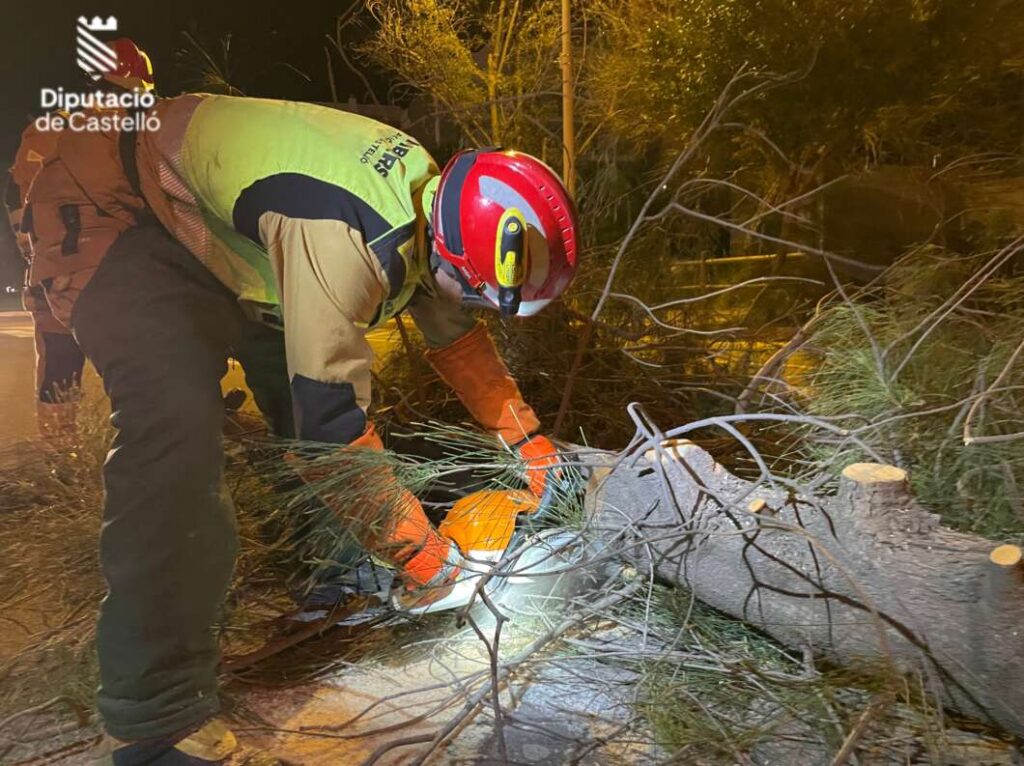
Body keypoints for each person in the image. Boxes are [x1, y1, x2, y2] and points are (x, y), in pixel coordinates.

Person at [24, 92, 578, 764]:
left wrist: (531, 444)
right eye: (475, 289)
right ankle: (154, 719)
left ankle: (334, 579)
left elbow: (457, 340)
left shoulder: (436, 203)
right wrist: (425, 558)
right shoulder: (343, 236)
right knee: (175, 427)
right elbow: (332, 433)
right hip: (117, 210)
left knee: (296, 390)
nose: (470, 304)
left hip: (217, 228)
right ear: (450, 249)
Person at [4, 39, 155, 441]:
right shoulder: (123, 125)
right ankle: (154, 452)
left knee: (58, 367)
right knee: (144, 371)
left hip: (50, 273)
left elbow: (18, 200)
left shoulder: (44, 130)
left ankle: (63, 463)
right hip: (112, 271)